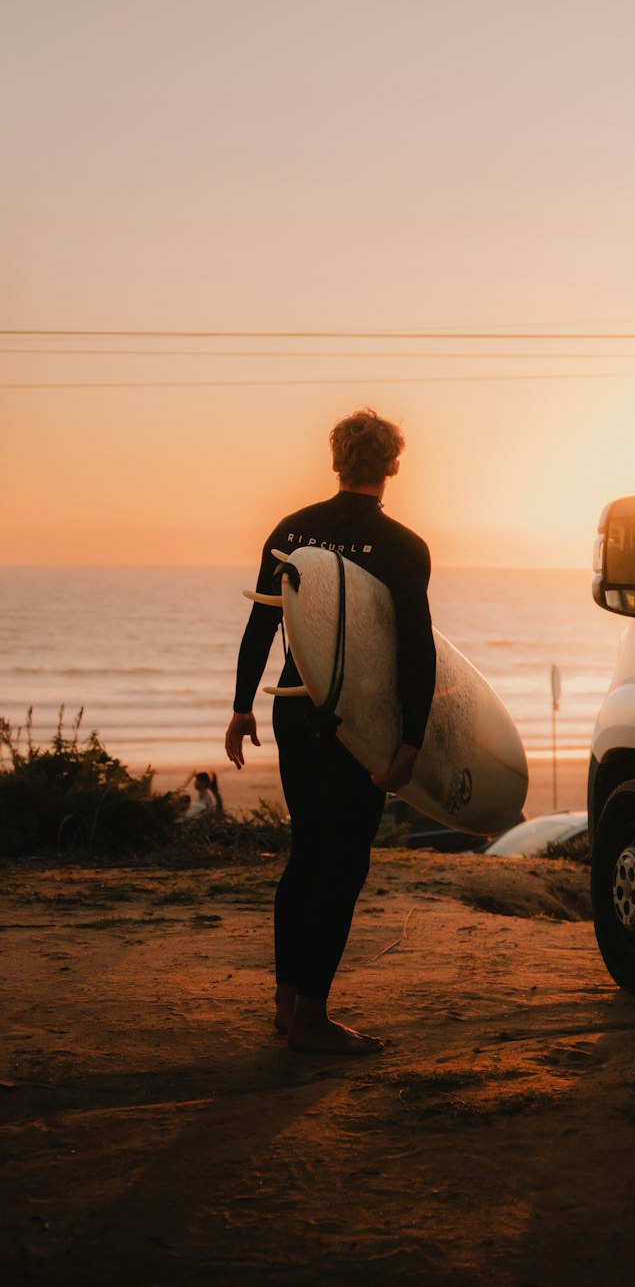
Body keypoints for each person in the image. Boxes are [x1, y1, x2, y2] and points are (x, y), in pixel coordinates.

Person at [225, 408, 436, 1055]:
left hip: (295, 706)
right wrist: (412, 740)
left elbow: (262, 625)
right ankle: (314, 1019)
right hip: (360, 719)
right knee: (343, 862)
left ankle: (288, 1006)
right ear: (392, 466)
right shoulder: (402, 545)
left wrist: (240, 708)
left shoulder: (293, 529)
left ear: (337, 460)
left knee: (308, 851)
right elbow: (415, 649)